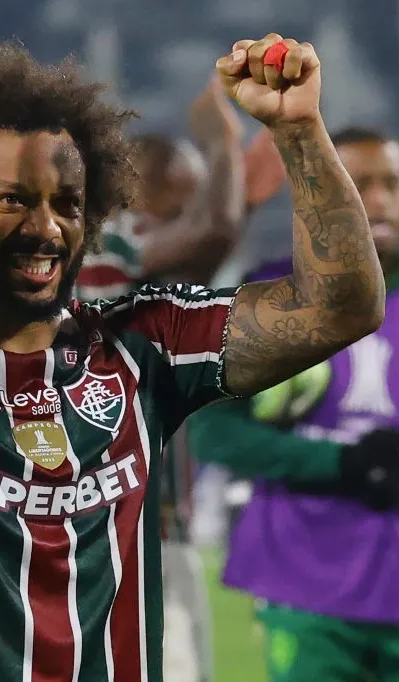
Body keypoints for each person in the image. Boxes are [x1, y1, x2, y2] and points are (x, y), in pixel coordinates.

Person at [0, 26, 386, 681]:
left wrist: (299, 131)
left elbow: (341, 307)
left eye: (68, 204)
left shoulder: (145, 347)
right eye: (13, 199)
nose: (46, 227)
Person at [187, 127, 399, 682]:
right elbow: (213, 432)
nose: (380, 200)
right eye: (360, 184)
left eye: (393, 183)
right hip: (303, 582)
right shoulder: (269, 296)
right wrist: (341, 463)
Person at [72, 77, 286, 682]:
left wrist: (241, 198)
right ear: (146, 195)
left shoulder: (138, 276)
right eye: (190, 200)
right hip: (113, 537)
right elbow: (208, 235)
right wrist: (221, 144)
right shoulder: (103, 249)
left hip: (152, 532)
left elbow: (199, 251)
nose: (209, 210)